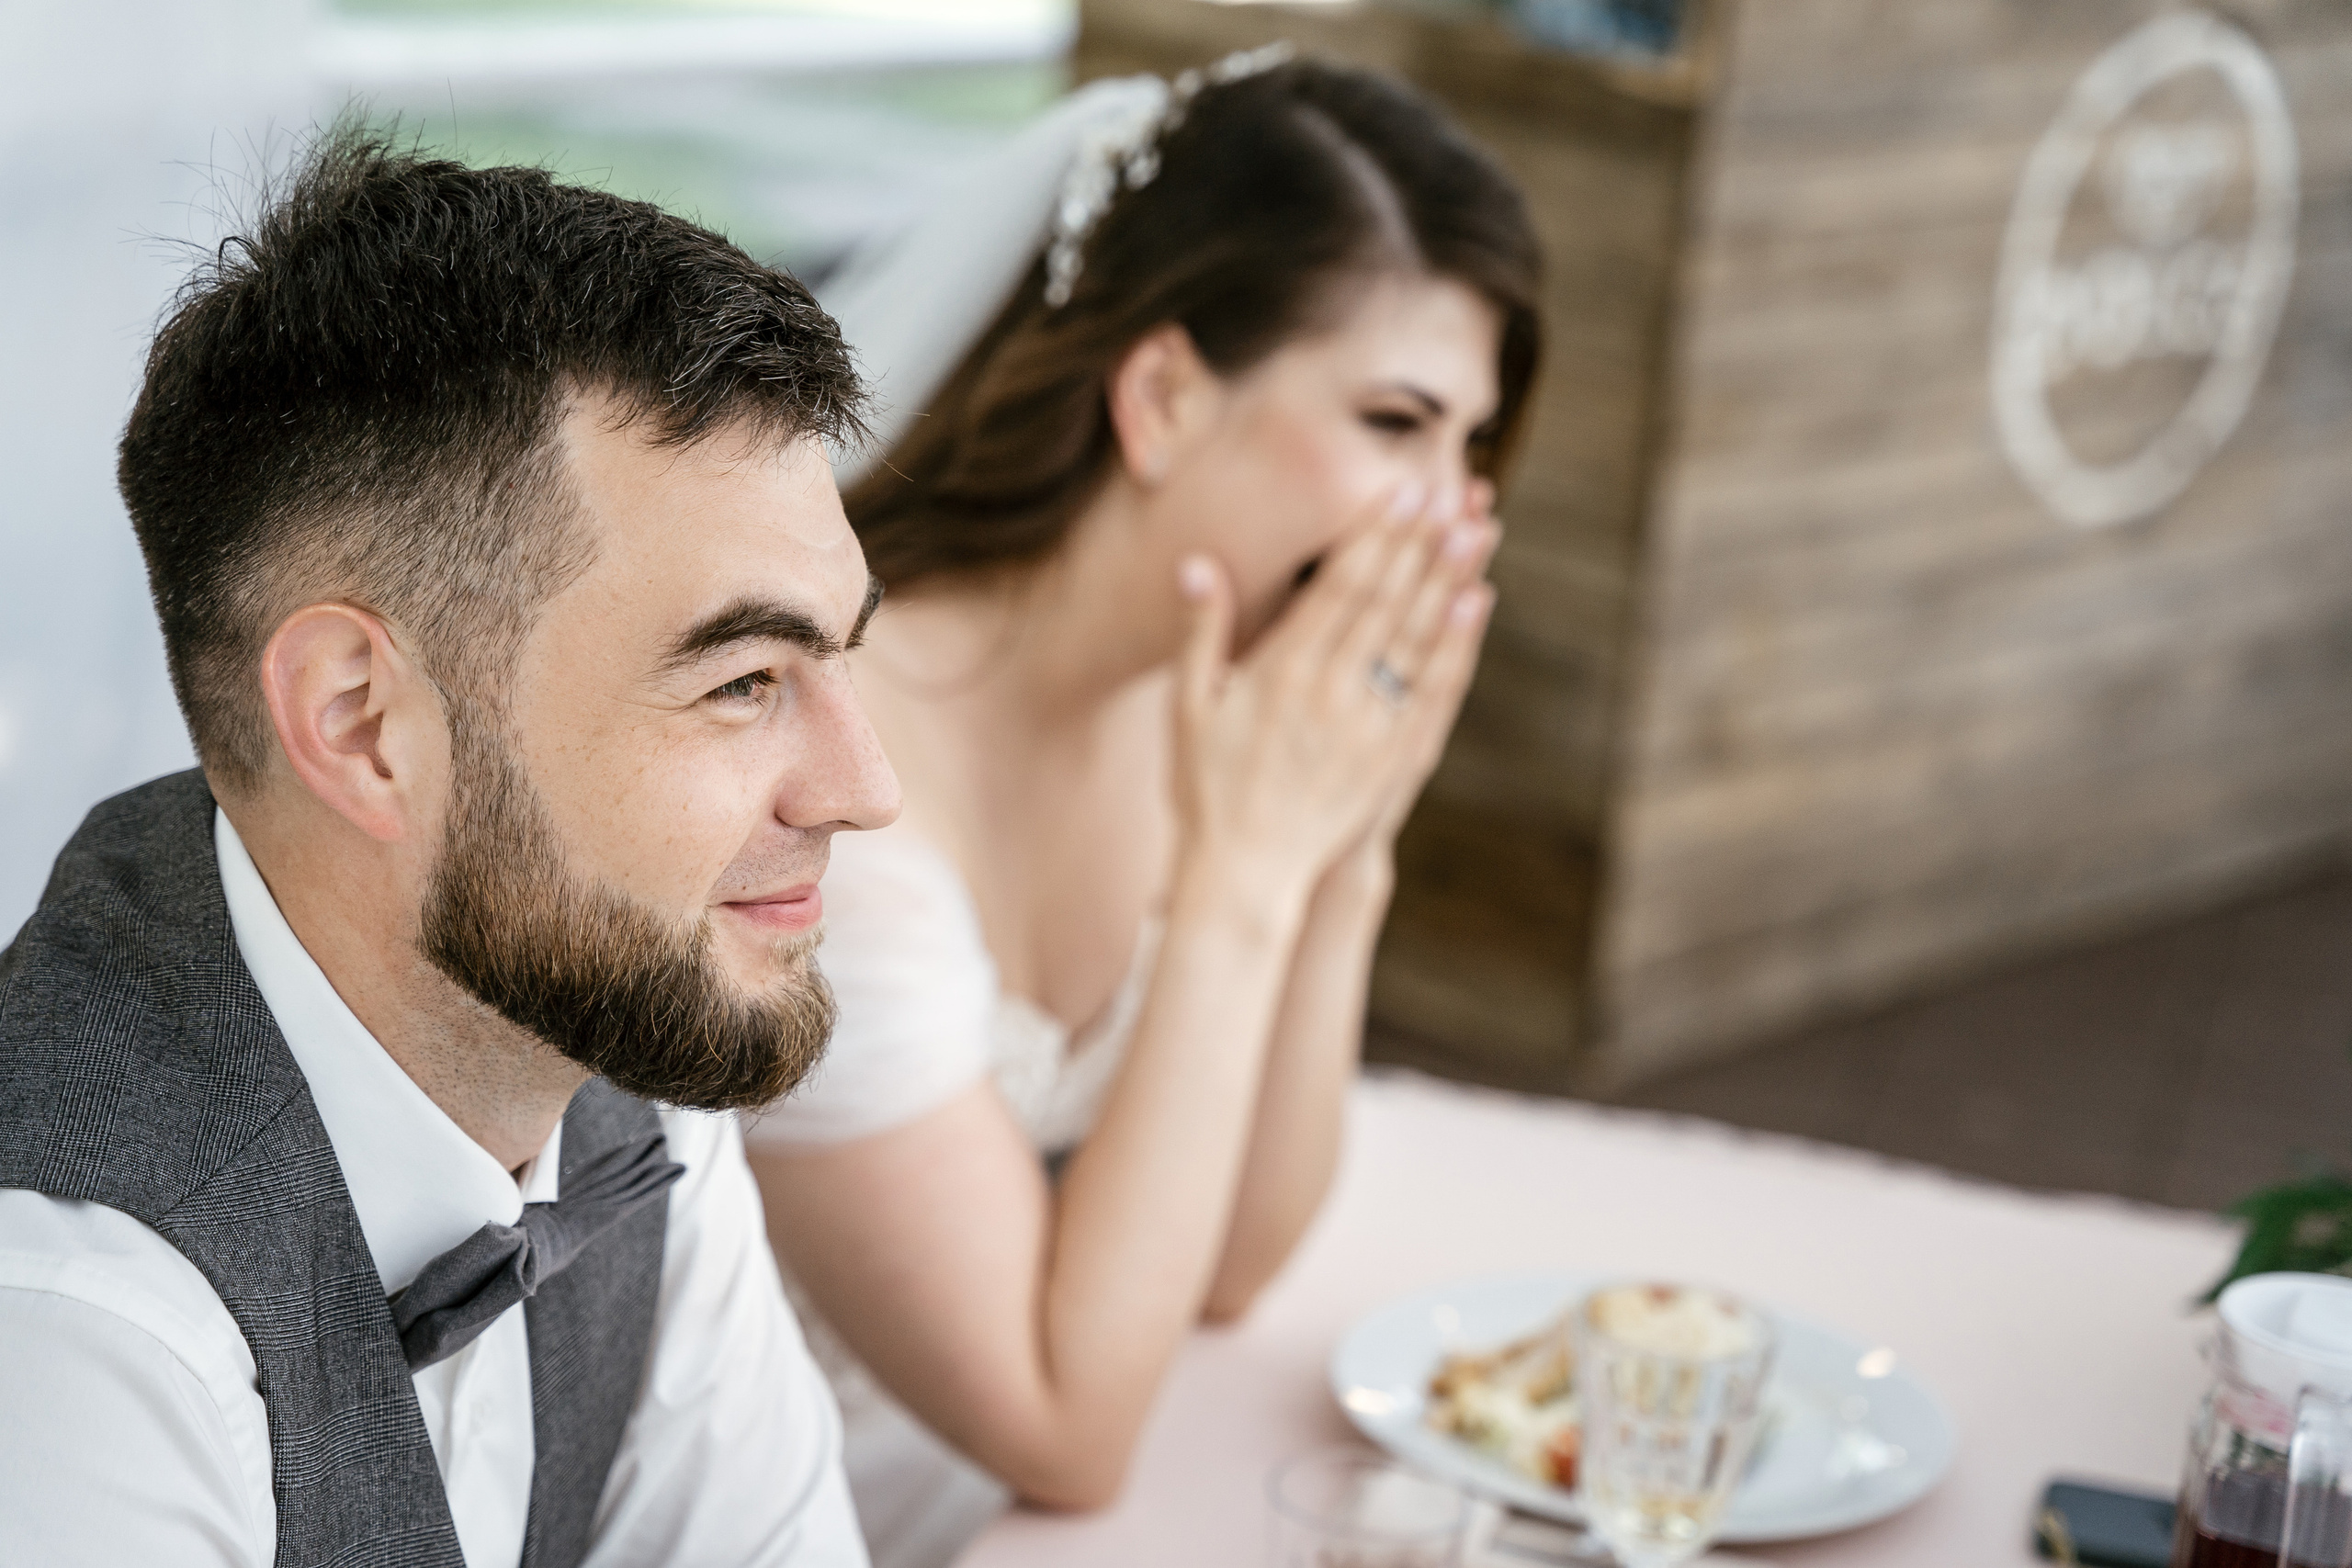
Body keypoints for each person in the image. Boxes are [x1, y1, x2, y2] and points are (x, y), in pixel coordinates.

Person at [0, 131, 900, 1568]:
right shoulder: (68, 1336)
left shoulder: (618, 1033)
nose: (866, 790)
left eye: (840, 660)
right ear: (363, 726)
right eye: (741, 681)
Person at [741, 49, 1544, 1568]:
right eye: (1395, 422)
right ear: (1165, 396)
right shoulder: (826, 789)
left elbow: (1232, 1258)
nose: (1450, 516)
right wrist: (1241, 885)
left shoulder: (1199, 708)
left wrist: (1345, 852)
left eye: (1472, 447)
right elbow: (1067, 1427)